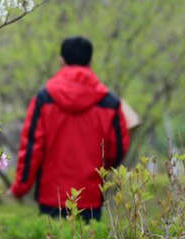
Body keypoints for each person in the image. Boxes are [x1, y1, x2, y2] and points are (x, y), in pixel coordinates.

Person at [10, 36, 129, 221]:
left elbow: (32, 147)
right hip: (90, 198)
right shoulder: (109, 103)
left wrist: (20, 187)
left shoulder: (44, 98)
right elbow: (118, 149)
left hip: (51, 198)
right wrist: (102, 171)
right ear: (90, 61)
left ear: (61, 61)